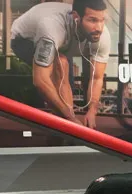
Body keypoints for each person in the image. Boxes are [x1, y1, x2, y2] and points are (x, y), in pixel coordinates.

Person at [10, 0, 111, 128]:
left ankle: (65, 126)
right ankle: (69, 125)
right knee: (61, 63)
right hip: (23, 39)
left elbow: (97, 78)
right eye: (92, 20)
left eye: (102, 20)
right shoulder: (51, 26)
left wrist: (92, 111)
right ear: (76, 17)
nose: (99, 28)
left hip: (61, 44)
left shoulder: (102, 35)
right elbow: (41, 80)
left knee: (63, 70)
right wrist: (71, 118)